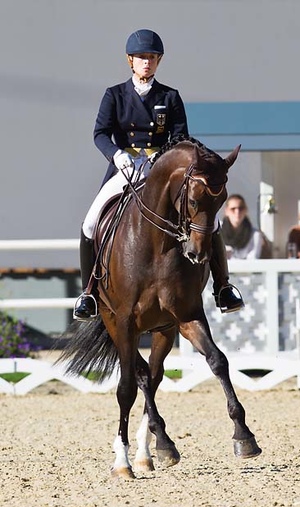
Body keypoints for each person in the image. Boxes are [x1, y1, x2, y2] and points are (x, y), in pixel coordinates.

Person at [74, 29, 244, 321]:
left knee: (212, 221)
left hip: (161, 171)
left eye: (152, 58)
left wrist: (161, 160)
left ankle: (223, 287)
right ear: (130, 60)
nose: (147, 62)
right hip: (124, 167)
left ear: (158, 61)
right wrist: (118, 155)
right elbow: (100, 133)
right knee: (90, 223)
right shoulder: (114, 95)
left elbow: (181, 138)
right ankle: (88, 292)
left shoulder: (170, 96)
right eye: (141, 57)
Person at [221, 194, 271, 259]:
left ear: (246, 210)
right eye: (233, 209)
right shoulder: (218, 232)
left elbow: (253, 259)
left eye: (241, 208)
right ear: (226, 211)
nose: (237, 212)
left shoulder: (255, 235)